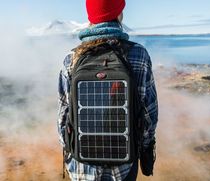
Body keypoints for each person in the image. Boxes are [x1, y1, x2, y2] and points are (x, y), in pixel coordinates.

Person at [58, 0, 158, 180]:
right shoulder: (138, 54)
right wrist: (145, 149)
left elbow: (63, 115)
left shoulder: (71, 58)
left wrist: (69, 151)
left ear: (90, 18)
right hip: (123, 165)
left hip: (81, 165)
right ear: (119, 14)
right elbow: (149, 112)